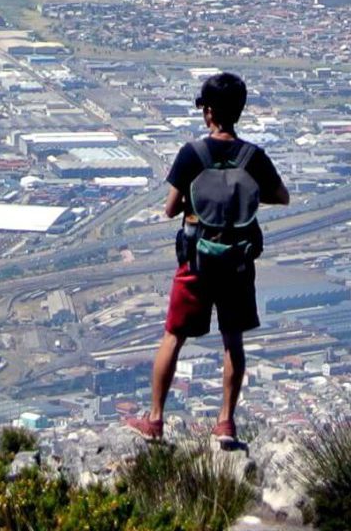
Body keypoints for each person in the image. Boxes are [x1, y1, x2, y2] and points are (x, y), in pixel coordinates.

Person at [126, 71, 289, 446]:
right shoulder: (253, 157)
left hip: (196, 259)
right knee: (233, 339)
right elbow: (282, 196)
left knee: (174, 336)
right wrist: (241, 197)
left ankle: (155, 419)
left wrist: (197, 202)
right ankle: (226, 422)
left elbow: (170, 209)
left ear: (209, 112)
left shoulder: (192, 154)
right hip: (237, 260)